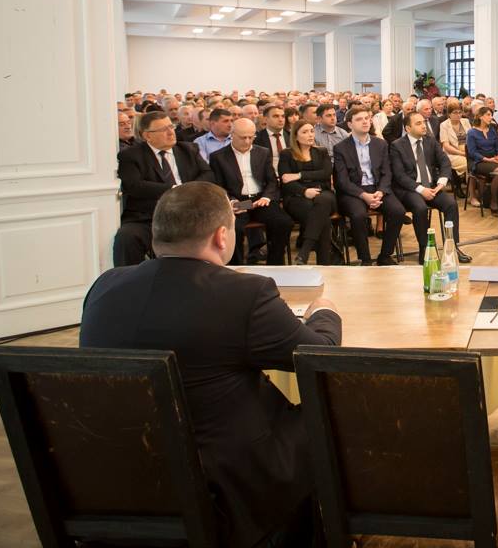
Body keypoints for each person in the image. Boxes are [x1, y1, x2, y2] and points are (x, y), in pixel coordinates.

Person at [81, 181, 342, 547]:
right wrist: (324, 312)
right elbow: (319, 355)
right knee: (324, 416)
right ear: (222, 236)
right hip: (218, 478)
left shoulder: (104, 287)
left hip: (116, 469)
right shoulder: (245, 293)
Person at [113, 111, 214, 266]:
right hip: (148, 217)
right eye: (163, 129)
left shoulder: (188, 149)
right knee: (126, 237)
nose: (170, 132)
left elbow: (208, 174)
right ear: (147, 136)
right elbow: (133, 185)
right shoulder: (131, 155)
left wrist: (187, 190)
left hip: (188, 214)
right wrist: (173, 189)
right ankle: (129, 279)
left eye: (171, 127)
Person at [390, 111, 472, 264]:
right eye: (418, 123)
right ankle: (425, 248)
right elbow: (399, 175)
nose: (423, 126)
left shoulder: (430, 141)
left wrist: (441, 183)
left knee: (451, 204)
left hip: (432, 186)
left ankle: (452, 247)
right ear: (408, 128)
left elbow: (445, 162)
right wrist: (421, 190)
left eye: (423, 122)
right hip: (410, 189)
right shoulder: (397, 146)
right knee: (420, 208)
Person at [210, 118, 293, 266]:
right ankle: (236, 268)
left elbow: (272, 181)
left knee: (283, 222)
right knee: (234, 229)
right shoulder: (218, 157)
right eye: (243, 137)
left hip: (260, 200)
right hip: (239, 202)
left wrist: (267, 197)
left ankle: (275, 265)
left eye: (251, 137)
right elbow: (218, 186)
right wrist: (232, 201)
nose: (248, 141)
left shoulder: (262, 152)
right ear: (232, 135)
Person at [333, 108, 406, 266]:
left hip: (377, 188)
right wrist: (363, 195)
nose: (365, 121)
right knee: (358, 215)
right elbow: (342, 181)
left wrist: (381, 191)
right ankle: (365, 259)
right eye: (359, 119)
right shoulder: (341, 148)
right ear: (350, 124)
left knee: (398, 212)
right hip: (354, 191)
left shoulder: (380, 144)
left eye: (367, 118)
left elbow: (387, 172)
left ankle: (385, 255)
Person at [279, 120, 336, 265]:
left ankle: (305, 250)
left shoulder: (321, 151)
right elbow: (286, 181)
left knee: (323, 201)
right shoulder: (286, 154)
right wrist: (304, 191)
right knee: (323, 218)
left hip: (322, 192)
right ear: (295, 136)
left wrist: (299, 175)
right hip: (297, 196)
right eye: (305, 132)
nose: (310, 135)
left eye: (311, 131)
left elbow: (326, 173)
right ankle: (324, 264)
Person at [465, 106, 498, 211]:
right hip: (478, 162)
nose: (491, 117)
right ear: (480, 117)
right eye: (488, 115)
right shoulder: (471, 132)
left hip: (493, 160)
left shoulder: (492, 130)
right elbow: (472, 152)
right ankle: (493, 201)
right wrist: (488, 159)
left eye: (491, 115)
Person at [438, 98, 472, 182]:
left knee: (477, 163)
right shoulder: (444, 125)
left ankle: (472, 185)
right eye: (455, 113)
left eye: (460, 112)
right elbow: (446, 146)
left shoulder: (466, 121)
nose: (458, 115)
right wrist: (462, 153)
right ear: (449, 114)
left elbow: (472, 139)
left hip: (468, 150)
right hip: (452, 153)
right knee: (468, 163)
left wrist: (469, 152)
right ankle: (469, 185)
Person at [255, 104, 292, 174]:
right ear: (266, 119)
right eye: (276, 116)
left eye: (283, 116)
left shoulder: (291, 136)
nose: (280, 119)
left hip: (291, 175)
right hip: (268, 175)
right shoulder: (257, 139)